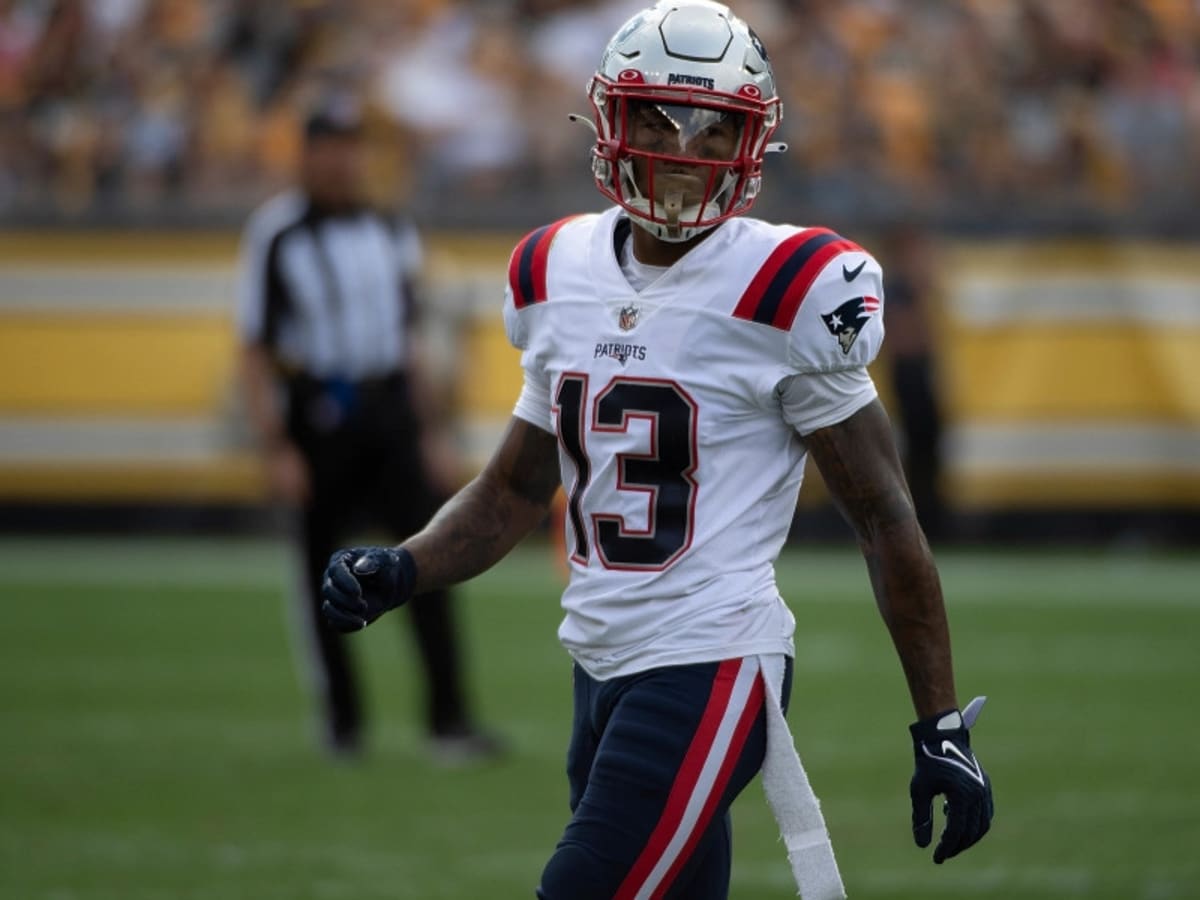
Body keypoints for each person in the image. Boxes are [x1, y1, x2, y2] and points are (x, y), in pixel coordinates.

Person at [321, 3, 994, 897]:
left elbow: (884, 515)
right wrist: (403, 569)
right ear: (610, 119)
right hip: (597, 664)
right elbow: (517, 489)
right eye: (659, 120)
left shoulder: (789, 287)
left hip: (710, 663)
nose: (685, 151)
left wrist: (939, 723)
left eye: (716, 127)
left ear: (753, 143)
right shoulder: (554, 270)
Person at [235, 95, 500, 763]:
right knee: (321, 573)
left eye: (354, 145)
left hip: (389, 411)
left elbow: (411, 338)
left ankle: (448, 718)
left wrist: (433, 430)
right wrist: (277, 444)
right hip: (320, 412)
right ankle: (344, 723)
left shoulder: (391, 227)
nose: (345, 159)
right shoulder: (278, 233)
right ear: (308, 153)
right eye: (332, 145)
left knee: (429, 559)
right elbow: (254, 347)